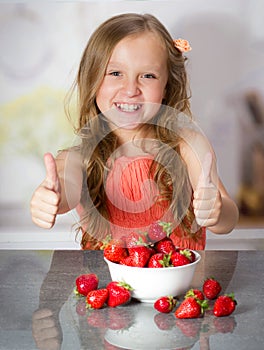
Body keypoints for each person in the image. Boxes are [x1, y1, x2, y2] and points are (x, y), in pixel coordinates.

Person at [30, 13, 239, 250]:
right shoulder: (78, 158)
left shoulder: (187, 145)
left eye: (148, 76)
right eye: (115, 73)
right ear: (93, 78)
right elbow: (67, 184)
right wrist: (52, 200)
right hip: (108, 284)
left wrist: (216, 212)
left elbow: (228, 220)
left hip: (179, 286)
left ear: (166, 85)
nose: (130, 90)